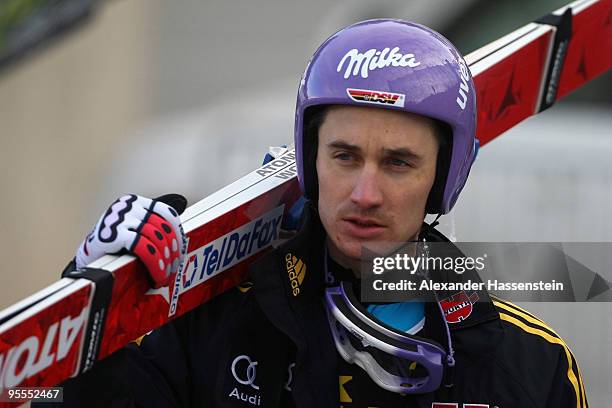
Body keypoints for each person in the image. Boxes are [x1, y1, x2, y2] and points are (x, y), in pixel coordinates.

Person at [48, 19, 588, 408]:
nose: (365, 193)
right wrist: (97, 320)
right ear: (310, 161)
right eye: (345, 156)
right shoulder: (215, 326)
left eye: (399, 163)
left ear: (443, 179)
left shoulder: (531, 366)